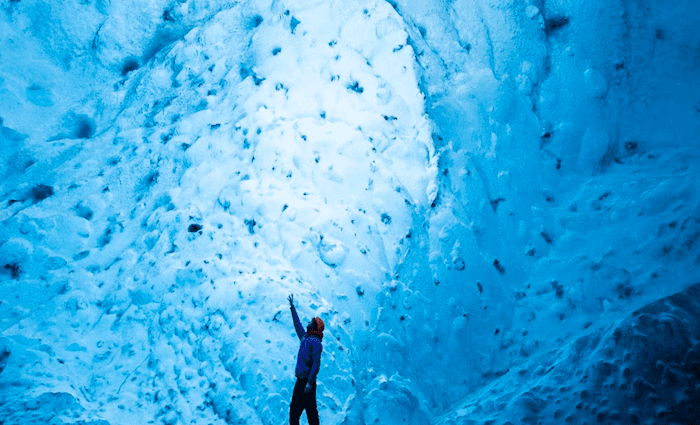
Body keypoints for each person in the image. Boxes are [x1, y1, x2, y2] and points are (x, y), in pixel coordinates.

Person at [288, 294, 324, 425]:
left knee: (295, 412)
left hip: (305, 382)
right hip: (303, 381)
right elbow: (297, 325)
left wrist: (309, 382)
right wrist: (292, 308)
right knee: (310, 412)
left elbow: (316, 364)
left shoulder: (315, 342)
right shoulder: (305, 338)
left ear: (314, 326)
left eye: (311, 321)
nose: (308, 322)